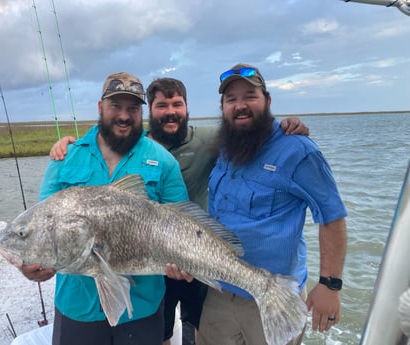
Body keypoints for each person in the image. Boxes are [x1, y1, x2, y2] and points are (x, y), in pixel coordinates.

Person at [51, 77, 310, 345]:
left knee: (196, 321)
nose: (170, 111)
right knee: (164, 327)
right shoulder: (89, 151)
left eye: (177, 104)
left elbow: (247, 128)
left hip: (194, 249)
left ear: (187, 107)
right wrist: (68, 144)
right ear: (150, 110)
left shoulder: (209, 138)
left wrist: (284, 126)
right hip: (151, 264)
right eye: (162, 105)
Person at [20, 71, 189, 345]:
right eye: (116, 106)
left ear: (141, 112)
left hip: (141, 310)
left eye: (132, 108)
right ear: (100, 107)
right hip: (77, 308)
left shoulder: (163, 161)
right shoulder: (65, 157)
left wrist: (182, 262)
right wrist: (30, 265)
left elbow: (181, 223)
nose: (124, 115)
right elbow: (41, 226)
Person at [196, 63, 348, 345]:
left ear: (267, 101)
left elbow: (332, 217)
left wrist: (330, 284)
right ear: (223, 107)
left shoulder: (298, 150)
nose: (240, 105)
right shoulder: (227, 147)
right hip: (219, 291)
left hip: (274, 297)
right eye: (231, 99)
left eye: (250, 96)